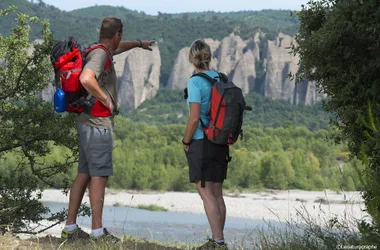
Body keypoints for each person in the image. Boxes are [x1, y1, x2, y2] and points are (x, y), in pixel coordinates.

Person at [60, 17, 155, 241]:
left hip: (86, 121)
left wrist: (139, 43)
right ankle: (97, 232)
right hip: (97, 124)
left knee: (83, 174)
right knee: (99, 175)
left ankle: (70, 227)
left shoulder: (98, 49)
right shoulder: (101, 54)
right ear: (117, 34)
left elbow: (116, 49)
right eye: (121, 36)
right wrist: (106, 100)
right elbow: (86, 78)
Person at [182, 40, 229, 250]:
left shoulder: (194, 82)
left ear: (192, 59)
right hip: (220, 142)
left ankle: (217, 242)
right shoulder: (221, 78)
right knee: (217, 193)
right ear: (209, 57)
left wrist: (185, 141)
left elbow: (193, 119)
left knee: (205, 193)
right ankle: (219, 239)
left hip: (201, 141)